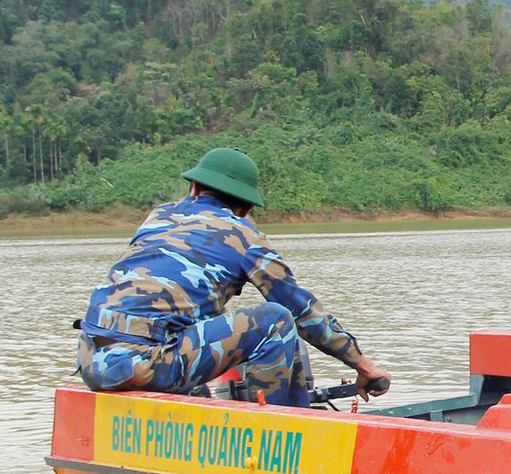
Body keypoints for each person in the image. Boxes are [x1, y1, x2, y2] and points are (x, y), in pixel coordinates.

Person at [75, 147, 389, 408]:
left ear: (195, 187)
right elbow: (300, 308)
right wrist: (362, 365)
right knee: (275, 320)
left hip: (92, 359)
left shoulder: (159, 215)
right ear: (247, 207)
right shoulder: (243, 234)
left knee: (197, 322)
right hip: (147, 362)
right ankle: (286, 433)